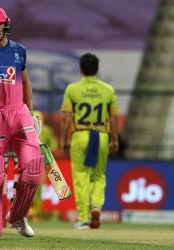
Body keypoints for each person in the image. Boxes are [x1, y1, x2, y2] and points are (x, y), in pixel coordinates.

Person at [0, 6, 44, 239]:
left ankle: (17, 216)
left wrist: (30, 113)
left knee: (33, 169)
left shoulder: (19, 51)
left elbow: (26, 83)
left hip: (19, 113)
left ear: (6, 24)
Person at [60, 53, 119, 229]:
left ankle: (84, 217)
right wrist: (114, 139)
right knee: (98, 175)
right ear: (97, 69)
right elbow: (114, 118)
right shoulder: (108, 90)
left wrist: (64, 139)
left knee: (81, 176)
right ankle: (96, 207)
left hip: (81, 135)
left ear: (81, 69)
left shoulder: (72, 89)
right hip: (101, 135)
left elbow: (66, 117)